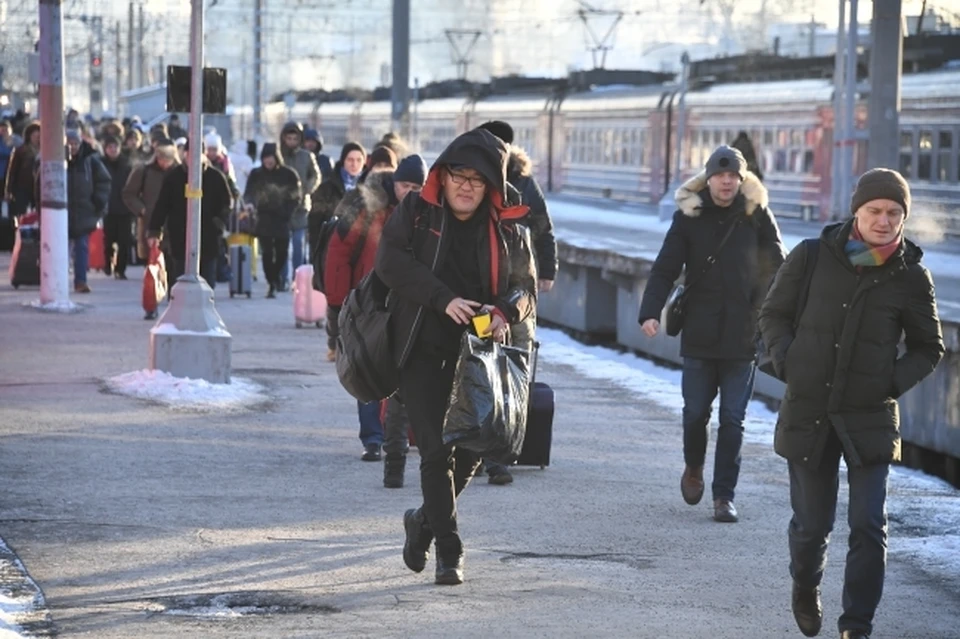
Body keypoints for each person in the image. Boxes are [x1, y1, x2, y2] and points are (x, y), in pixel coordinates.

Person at [758, 168, 943, 639]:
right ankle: (805, 585)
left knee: (868, 526)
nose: (884, 221)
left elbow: (929, 346)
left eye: (894, 213)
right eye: (875, 211)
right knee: (811, 526)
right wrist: (789, 363)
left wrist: (888, 383)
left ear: (904, 217)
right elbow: (774, 314)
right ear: (856, 212)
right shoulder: (811, 257)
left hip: (870, 414)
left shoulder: (911, 276)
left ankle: (856, 624)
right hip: (810, 409)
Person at [375, 128, 537, 585]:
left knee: (473, 451)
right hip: (422, 348)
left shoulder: (508, 228)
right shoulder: (417, 212)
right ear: (442, 178)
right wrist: (442, 298)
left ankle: (423, 521)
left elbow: (525, 288)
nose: (466, 186)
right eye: (459, 176)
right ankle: (450, 551)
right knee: (434, 451)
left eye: (478, 179)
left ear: (491, 187)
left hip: (480, 354)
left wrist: (505, 310)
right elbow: (389, 262)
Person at [637, 145, 786, 523]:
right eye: (720, 175)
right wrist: (649, 311)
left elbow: (780, 268)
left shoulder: (756, 215)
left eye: (734, 176)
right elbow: (665, 267)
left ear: (741, 180)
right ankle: (693, 467)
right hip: (701, 334)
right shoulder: (689, 217)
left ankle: (724, 496)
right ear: (709, 178)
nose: (727, 182)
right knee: (694, 414)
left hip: (742, 335)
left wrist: (772, 312)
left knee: (733, 419)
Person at [324, 154, 427, 465]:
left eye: (416, 186)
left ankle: (404, 435)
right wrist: (339, 304)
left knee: (409, 373)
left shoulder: (426, 214)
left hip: (411, 304)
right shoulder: (364, 206)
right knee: (369, 367)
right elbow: (337, 256)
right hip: (368, 303)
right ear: (393, 183)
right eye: (405, 185)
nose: (410, 191)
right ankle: (372, 439)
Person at [478, 119, 560, 485]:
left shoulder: (524, 184)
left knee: (513, 372)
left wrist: (548, 270)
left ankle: (500, 454)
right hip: (479, 301)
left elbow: (543, 228)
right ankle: (477, 450)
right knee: (477, 372)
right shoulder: (469, 183)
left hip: (517, 299)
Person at [148, 139, 233, 288]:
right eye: (189, 154)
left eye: (197, 154)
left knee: (207, 281)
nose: (192, 158)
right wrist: (155, 231)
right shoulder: (173, 177)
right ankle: (178, 308)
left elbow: (227, 203)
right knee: (179, 279)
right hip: (180, 236)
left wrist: (219, 223)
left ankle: (205, 308)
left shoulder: (215, 177)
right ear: (184, 154)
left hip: (208, 237)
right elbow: (162, 205)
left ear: (204, 155)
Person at [310, 141, 366, 361]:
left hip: (359, 250)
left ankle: (349, 341)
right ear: (343, 161)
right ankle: (335, 342)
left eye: (358, 160)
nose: (354, 165)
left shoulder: (371, 189)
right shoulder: (328, 186)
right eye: (350, 160)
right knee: (335, 298)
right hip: (332, 247)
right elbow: (315, 219)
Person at [244, 143, 301, 298]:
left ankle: (276, 278)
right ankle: (272, 283)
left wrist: (287, 212)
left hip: (282, 219)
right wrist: (249, 203)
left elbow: (296, 196)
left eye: (271, 158)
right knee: (267, 253)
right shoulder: (256, 174)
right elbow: (249, 192)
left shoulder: (289, 174)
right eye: (265, 158)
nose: (268, 161)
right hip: (264, 218)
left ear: (277, 158)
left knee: (282, 253)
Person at [123, 140, 180, 282]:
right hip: (151, 224)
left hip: (174, 225)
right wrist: (142, 210)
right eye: (162, 159)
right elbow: (129, 194)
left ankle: (171, 293)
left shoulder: (180, 172)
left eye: (168, 160)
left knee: (173, 263)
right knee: (152, 262)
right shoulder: (144, 171)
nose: (165, 163)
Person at [64, 128, 111, 293]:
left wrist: (98, 203)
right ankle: (59, 280)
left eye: (76, 143)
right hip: (62, 211)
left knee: (81, 246)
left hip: (84, 210)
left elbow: (103, 182)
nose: (73, 147)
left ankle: (80, 281)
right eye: (69, 144)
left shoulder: (90, 160)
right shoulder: (55, 159)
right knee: (61, 248)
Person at [278, 122, 321, 290]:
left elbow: (316, 176)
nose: (292, 141)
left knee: (298, 244)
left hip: (302, 207)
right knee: (281, 245)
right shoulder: (279, 155)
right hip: (282, 207)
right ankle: (281, 279)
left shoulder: (306, 156)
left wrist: (306, 190)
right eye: (288, 138)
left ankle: (299, 280)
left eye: (295, 138)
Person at [100, 136, 134, 279]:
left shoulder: (127, 165)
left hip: (125, 208)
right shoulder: (100, 164)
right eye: (110, 147)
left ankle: (121, 269)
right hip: (107, 208)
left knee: (124, 241)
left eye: (115, 147)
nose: (113, 150)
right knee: (108, 240)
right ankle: (107, 263)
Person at [4, 122, 40, 219]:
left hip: (38, 188)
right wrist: (8, 190)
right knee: (21, 214)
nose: (37, 138)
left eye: (39, 136)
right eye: (34, 135)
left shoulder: (44, 151)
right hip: (22, 188)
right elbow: (12, 171)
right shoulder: (21, 150)